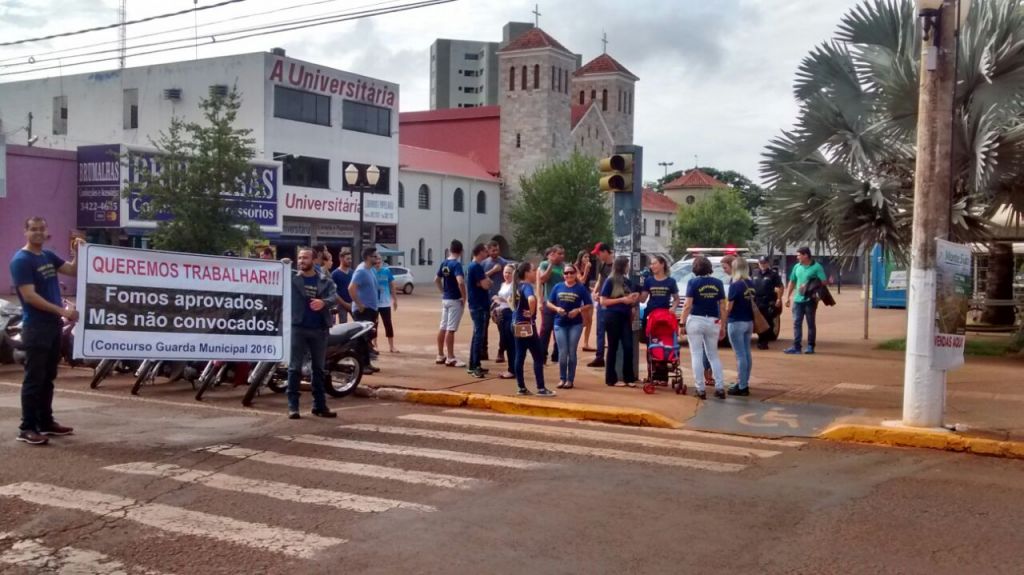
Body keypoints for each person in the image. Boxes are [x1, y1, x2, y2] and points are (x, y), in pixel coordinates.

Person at [9, 217, 81, 445]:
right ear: (26, 232)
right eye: (33, 229)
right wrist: (62, 310)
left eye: (41, 229)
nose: (38, 233)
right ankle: (27, 427)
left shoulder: (48, 256)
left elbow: (71, 270)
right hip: (36, 326)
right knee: (34, 378)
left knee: (49, 377)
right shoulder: (21, 260)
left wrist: (78, 251)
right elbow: (30, 296)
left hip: (52, 326)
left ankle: (46, 422)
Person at [287, 247, 338, 419]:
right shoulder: (291, 277)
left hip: (319, 329)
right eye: (299, 258)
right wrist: (280, 265)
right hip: (297, 328)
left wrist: (323, 302)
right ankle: (293, 407)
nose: (301, 261)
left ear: (314, 260)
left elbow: (333, 297)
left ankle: (320, 406)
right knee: (294, 368)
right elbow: (273, 276)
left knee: (318, 369)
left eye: (305, 258)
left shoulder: (325, 280)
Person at [679, 256, 727, 400]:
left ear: (695, 268)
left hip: (696, 320)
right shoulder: (718, 283)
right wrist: (723, 325)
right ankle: (719, 387)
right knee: (713, 355)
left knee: (696, 354)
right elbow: (723, 306)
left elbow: (687, 305)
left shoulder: (693, 282)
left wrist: (682, 323)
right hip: (713, 320)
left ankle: (700, 389)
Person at [546, 264, 593, 389]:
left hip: (575, 324)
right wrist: (557, 308)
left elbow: (589, 304)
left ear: (575, 274)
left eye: (571, 273)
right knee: (563, 352)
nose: (569, 275)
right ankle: (562, 378)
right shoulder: (558, 287)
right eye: (566, 273)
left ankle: (570, 379)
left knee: (572, 352)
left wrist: (578, 310)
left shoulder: (580, 288)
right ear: (563, 275)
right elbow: (549, 302)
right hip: (559, 322)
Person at [511, 262, 555, 397]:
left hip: (516, 323)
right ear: (526, 273)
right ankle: (541, 387)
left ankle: (521, 387)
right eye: (533, 270)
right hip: (527, 325)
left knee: (520, 355)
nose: (535, 272)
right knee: (538, 356)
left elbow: (512, 301)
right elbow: (531, 300)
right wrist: (531, 313)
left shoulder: (517, 286)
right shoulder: (526, 286)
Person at [599, 256, 640, 387]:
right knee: (613, 346)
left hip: (625, 315)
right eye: (627, 265)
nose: (628, 268)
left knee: (628, 346)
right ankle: (611, 378)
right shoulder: (610, 281)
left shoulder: (627, 281)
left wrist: (633, 300)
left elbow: (630, 297)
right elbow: (603, 301)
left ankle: (629, 377)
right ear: (622, 266)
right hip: (613, 316)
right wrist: (621, 300)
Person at [784, 246, 828, 354]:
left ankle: (810, 346)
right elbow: (792, 281)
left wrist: (812, 286)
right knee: (796, 323)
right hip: (798, 300)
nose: (797, 257)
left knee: (810, 323)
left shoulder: (817, 267)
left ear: (806, 255)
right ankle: (796, 346)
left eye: (799, 255)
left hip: (810, 300)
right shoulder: (797, 267)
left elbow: (824, 282)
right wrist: (787, 296)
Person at [435, 240, 467, 367]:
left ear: (450, 249)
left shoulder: (444, 263)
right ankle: (451, 357)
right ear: (461, 251)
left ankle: (440, 354)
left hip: (446, 298)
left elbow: (436, 279)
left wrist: (443, 291)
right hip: (454, 299)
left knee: (443, 326)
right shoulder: (456, 265)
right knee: (451, 329)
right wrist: (464, 297)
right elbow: (460, 281)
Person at [726, 262, 756, 396]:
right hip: (749, 321)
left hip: (736, 321)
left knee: (740, 355)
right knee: (746, 353)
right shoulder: (751, 284)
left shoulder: (735, 285)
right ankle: (744, 381)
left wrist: (722, 317)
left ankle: (742, 385)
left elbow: (729, 307)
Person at [465, 244, 493, 378]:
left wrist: (484, 281)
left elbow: (484, 283)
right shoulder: (475, 267)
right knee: (478, 336)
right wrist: (485, 282)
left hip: (476, 304)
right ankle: (475, 366)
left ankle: (474, 364)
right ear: (480, 252)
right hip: (479, 305)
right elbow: (486, 284)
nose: (487, 254)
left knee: (477, 334)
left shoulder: (474, 267)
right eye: (485, 251)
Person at [587, 242, 614, 367]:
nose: (598, 256)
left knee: (611, 331)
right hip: (601, 302)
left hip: (611, 303)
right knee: (600, 331)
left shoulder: (615, 266)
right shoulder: (602, 265)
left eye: (599, 253)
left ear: (605, 252)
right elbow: (599, 280)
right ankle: (599, 356)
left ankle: (611, 358)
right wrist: (595, 292)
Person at [537, 245, 565, 364]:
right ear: (552, 254)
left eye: (563, 254)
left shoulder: (564, 266)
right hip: (548, 302)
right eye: (559, 254)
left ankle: (556, 355)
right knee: (546, 329)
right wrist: (551, 265)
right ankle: (542, 355)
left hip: (561, 303)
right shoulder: (544, 264)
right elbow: (543, 279)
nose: (562, 256)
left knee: (558, 329)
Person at [483, 240, 508, 363]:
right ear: (488, 251)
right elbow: (480, 278)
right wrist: (493, 271)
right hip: (486, 299)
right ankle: (483, 351)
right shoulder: (483, 263)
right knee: (483, 326)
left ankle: (501, 352)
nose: (495, 252)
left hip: (500, 301)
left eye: (497, 250)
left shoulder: (504, 263)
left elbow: (510, 278)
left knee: (502, 327)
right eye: (492, 250)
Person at [752, 256, 784, 350]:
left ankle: (763, 341)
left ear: (768, 263)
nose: (763, 265)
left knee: (766, 321)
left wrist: (778, 299)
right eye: (761, 263)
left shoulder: (773, 274)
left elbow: (780, 287)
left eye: (764, 263)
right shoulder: (754, 273)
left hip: (768, 301)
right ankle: (761, 339)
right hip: (756, 300)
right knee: (757, 321)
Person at [493, 264, 517, 380]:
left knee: (510, 342)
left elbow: (513, 302)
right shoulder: (503, 284)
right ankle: (511, 368)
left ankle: (512, 369)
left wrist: (500, 299)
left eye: (509, 273)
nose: (506, 275)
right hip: (501, 313)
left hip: (510, 313)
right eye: (505, 272)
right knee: (505, 341)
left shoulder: (515, 286)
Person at [374, 254, 399, 353]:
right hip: (374, 304)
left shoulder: (386, 271)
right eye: (376, 259)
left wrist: (395, 300)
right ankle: (375, 345)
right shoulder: (371, 271)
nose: (378, 261)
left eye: (379, 259)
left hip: (385, 303)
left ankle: (391, 346)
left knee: (388, 324)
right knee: (374, 325)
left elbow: (392, 286)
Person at [575, 250, 595, 352]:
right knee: (582, 321)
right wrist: (586, 269)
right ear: (580, 258)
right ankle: (574, 339)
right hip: (579, 295)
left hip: (587, 294)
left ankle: (586, 343)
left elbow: (586, 284)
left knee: (589, 320)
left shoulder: (588, 267)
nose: (587, 259)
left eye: (588, 257)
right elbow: (581, 281)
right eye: (585, 257)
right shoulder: (575, 267)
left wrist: (593, 290)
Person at [331, 248, 354, 324]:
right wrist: (344, 304)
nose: (350, 261)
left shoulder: (353, 273)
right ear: (341, 258)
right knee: (343, 326)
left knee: (359, 323)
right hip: (341, 304)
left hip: (353, 303)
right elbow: (333, 292)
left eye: (350, 259)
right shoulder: (335, 274)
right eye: (348, 259)